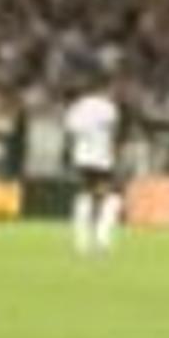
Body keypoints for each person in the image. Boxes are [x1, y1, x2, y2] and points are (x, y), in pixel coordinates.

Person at [64, 79, 123, 256]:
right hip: (101, 157)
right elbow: (114, 132)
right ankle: (102, 239)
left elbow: (70, 132)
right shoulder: (108, 107)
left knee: (85, 193)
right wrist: (114, 153)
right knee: (112, 196)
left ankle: (81, 241)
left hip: (81, 156)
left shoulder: (77, 107)